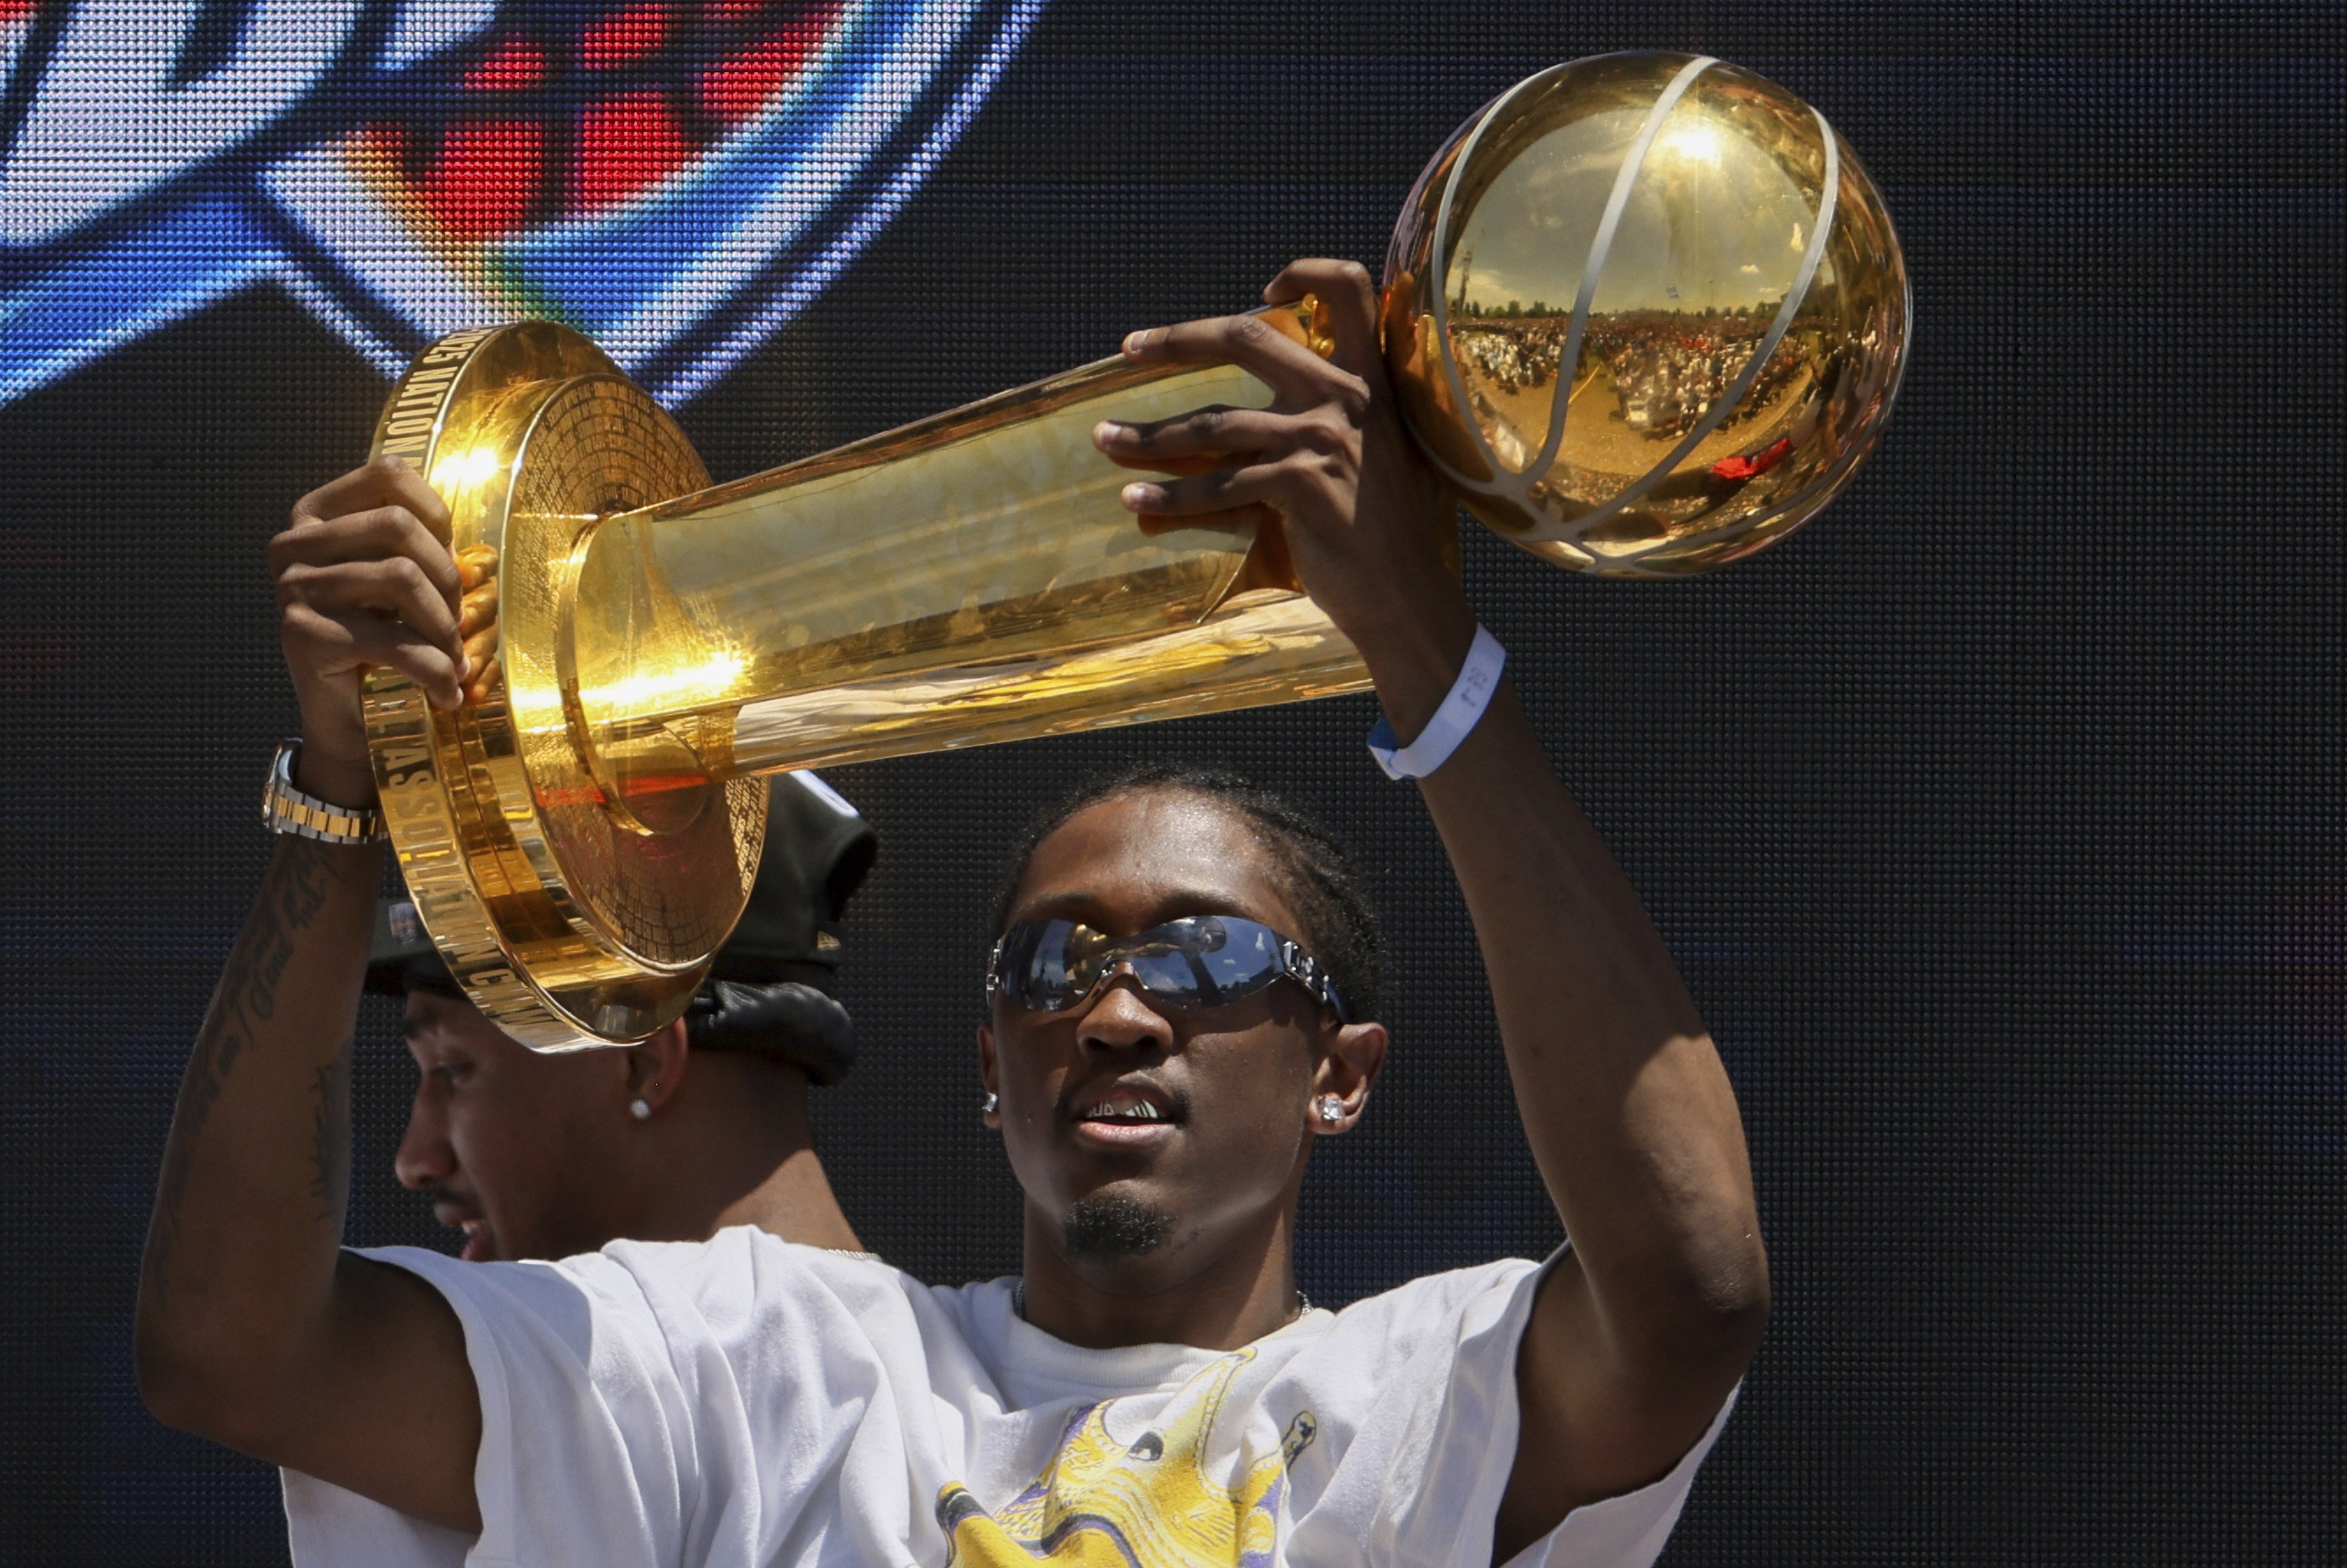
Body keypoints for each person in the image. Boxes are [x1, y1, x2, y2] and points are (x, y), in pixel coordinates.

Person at [136, 259, 1768, 1568]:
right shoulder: (777, 1370)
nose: (1116, 1010)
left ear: (1338, 1070)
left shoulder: (1414, 1401)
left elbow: (1690, 1291)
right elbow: (233, 1355)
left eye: (1201, 958)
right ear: (989, 1065)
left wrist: (1422, 658)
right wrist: (350, 788)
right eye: (1051, 963)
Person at [375, 770, 876, 1262]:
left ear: (642, 1061)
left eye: (453, 1068)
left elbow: (304, 1320)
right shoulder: (932, 1334)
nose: (414, 1161)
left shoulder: (543, 1337)